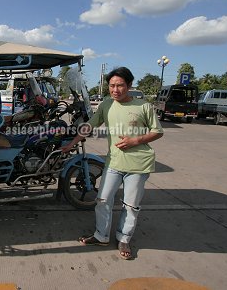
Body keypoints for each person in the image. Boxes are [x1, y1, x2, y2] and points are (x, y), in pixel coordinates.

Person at [61, 67, 163, 260]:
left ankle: (124, 239)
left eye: (120, 85)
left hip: (138, 164)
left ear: (130, 85)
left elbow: (157, 131)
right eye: (112, 86)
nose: (115, 90)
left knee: (131, 206)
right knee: (102, 200)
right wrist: (72, 143)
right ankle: (101, 235)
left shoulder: (144, 106)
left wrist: (135, 141)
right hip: (114, 162)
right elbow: (90, 124)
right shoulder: (106, 104)